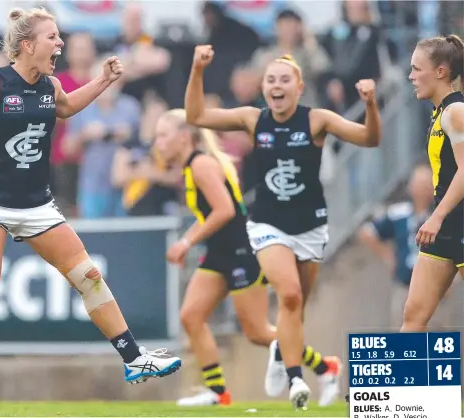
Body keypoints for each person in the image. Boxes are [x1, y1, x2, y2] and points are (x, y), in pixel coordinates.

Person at [0, 7, 181, 414]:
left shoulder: (49, 85)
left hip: (36, 205)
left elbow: (65, 109)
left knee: (89, 276)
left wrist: (102, 79)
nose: (60, 44)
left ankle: (134, 359)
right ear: (28, 45)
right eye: (53, 37)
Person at [185, 46, 381, 409]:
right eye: (270, 80)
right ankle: (296, 381)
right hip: (266, 224)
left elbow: (370, 139)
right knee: (288, 294)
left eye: (284, 80)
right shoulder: (251, 119)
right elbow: (195, 115)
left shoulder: (317, 120)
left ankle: (282, 353)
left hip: (310, 227)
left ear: (299, 87)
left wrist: (369, 103)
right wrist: (197, 69)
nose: (277, 85)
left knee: (297, 308)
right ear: (263, 88)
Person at [155, 108, 340, 407]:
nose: (158, 143)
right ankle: (218, 393)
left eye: (163, 135)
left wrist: (186, 242)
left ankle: (325, 367)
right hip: (219, 253)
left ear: (184, 136)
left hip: (241, 251)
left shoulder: (201, 165)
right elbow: (212, 213)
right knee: (191, 316)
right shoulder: (192, 167)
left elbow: (225, 210)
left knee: (256, 332)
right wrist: (189, 240)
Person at [402, 34, 464, 332]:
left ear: (440, 72)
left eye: (417, 68)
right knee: (413, 316)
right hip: (444, 226)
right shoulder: (440, 112)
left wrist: (436, 216)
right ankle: (406, 380)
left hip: (454, 221)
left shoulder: (457, 112)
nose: (411, 76)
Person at [358, 165, 433, 328]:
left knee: (435, 342)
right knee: (402, 335)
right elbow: (367, 232)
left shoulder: (440, 215)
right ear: (411, 188)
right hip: (405, 284)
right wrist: (387, 255)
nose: (422, 191)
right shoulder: (399, 213)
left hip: (434, 289)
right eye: (419, 186)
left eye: (426, 186)